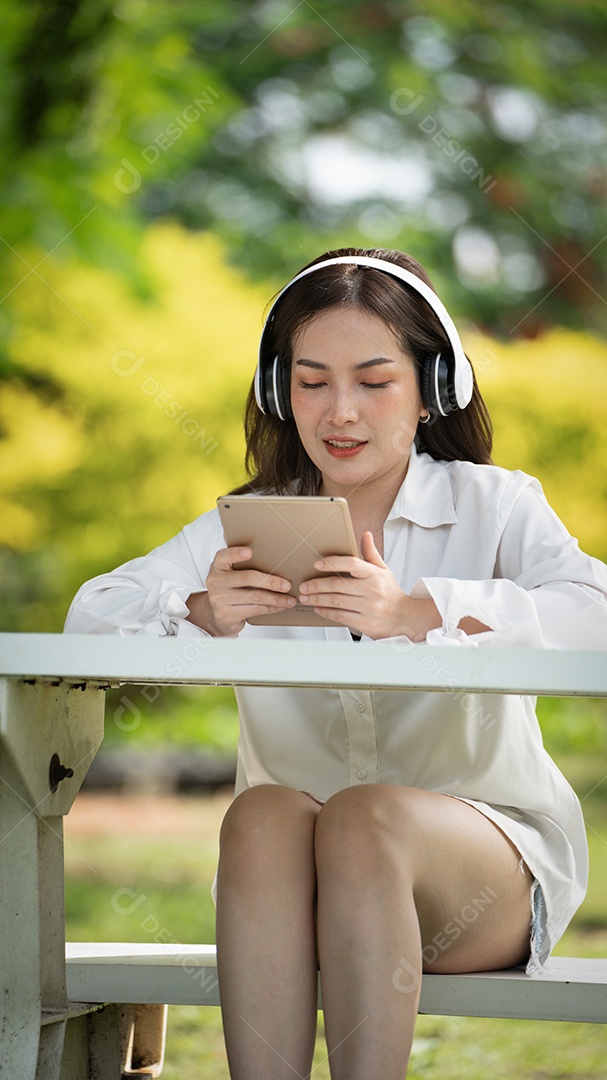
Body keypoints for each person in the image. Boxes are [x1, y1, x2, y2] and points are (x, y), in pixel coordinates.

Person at [65, 247, 607, 1080]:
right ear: (280, 391)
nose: (339, 411)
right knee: (263, 813)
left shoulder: (496, 507)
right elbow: (90, 615)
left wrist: (413, 613)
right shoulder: (242, 526)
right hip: (301, 894)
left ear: (433, 391)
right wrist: (202, 613)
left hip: (481, 886)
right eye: (311, 381)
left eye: (373, 380)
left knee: (363, 815)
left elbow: (596, 614)